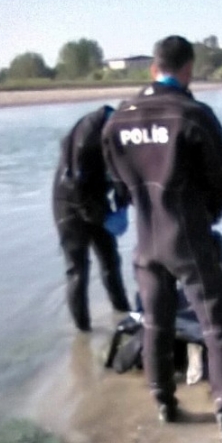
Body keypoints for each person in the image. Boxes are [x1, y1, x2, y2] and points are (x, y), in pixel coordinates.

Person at [102, 35, 222, 443]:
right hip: (188, 236)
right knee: (218, 326)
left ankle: (164, 404)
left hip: (146, 239)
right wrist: (208, 213)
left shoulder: (119, 119)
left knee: (156, 322)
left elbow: (114, 177)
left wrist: (138, 199)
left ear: (153, 68)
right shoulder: (193, 114)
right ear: (187, 69)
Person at [53, 105, 131, 332]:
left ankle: (124, 315)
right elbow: (76, 187)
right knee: (78, 269)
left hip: (96, 197)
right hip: (68, 203)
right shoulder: (86, 136)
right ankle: (83, 332)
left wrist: (122, 205)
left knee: (111, 260)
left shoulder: (120, 134)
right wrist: (102, 218)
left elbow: (123, 175)